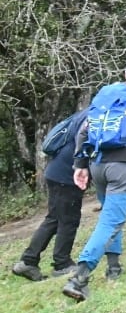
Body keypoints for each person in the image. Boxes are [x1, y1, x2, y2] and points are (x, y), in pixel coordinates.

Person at [61, 54, 126, 302]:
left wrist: (80, 164)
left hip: (98, 163)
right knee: (112, 220)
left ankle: (114, 267)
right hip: (125, 165)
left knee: (110, 216)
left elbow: (84, 131)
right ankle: (79, 278)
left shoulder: (107, 92)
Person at [12, 111, 87, 281]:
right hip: (67, 176)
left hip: (56, 171)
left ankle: (28, 261)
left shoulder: (85, 113)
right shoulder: (95, 116)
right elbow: (82, 144)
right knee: (69, 220)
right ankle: (62, 263)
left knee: (54, 218)